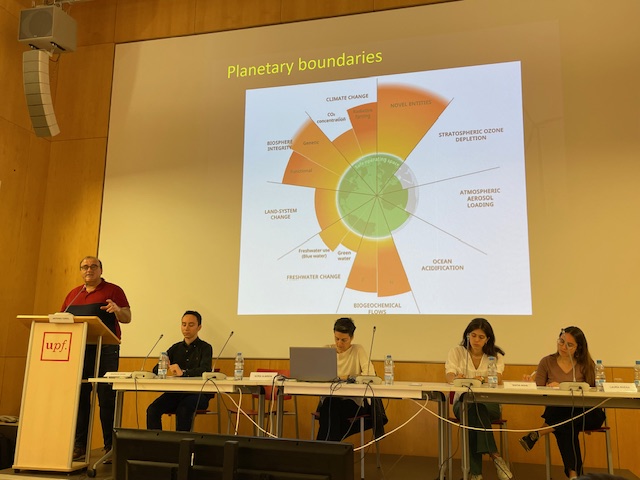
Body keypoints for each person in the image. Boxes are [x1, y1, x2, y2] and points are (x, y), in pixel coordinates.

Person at [61, 256, 131, 460]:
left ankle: (110, 446)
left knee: (106, 398)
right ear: (81, 271)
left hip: (106, 349)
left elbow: (127, 318)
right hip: (80, 350)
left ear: (101, 270)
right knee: (80, 398)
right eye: (85, 267)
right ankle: (80, 446)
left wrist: (118, 310)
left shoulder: (113, 290)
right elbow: (62, 318)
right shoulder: (74, 294)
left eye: (93, 266)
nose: (89, 270)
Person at [519, 326, 606, 480]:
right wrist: (531, 384)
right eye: (561, 341)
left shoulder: (587, 364)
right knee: (566, 426)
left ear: (579, 347)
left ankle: (540, 432)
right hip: (560, 411)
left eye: (569, 345)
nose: (563, 347)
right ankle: (574, 475)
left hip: (586, 413)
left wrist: (563, 386)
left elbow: (595, 392)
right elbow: (538, 391)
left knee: (567, 419)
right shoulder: (547, 362)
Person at [445, 317, 512, 480]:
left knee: (474, 414)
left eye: (481, 337)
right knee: (473, 411)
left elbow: (497, 378)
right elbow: (449, 376)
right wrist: (456, 378)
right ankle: (496, 457)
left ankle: (476, 474)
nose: (476, 340)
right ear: (467, 335)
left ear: (487, 339)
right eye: (473, 335)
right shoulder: (456, 352)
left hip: (490, 404)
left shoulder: (495, 355)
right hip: (462, 403)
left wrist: (478, 379)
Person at [316, 317, 386, 442]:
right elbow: (318, 375)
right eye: (337, 339)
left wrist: (347, 377)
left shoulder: (357, 350)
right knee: (330, 406)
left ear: (352, 338)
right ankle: (331, 448)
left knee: (330, 410)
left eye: (344, 340)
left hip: (353, 402)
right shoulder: (327, 350)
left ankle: (324, 448)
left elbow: (370, 375)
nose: (339, 343)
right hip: (330, 400)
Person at [146, 310, 213, 431]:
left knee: (183, 409)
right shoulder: (175, 348)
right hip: (176, 393)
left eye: (191, 325)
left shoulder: (205, 348)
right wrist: (163, 366)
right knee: (153, 409)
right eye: (184, 324)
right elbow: (155, 370)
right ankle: (156, 442)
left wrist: (184, 373)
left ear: (199, 327)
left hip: (198, 394)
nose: (186, 328)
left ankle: (181, 443)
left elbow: (205, 370)